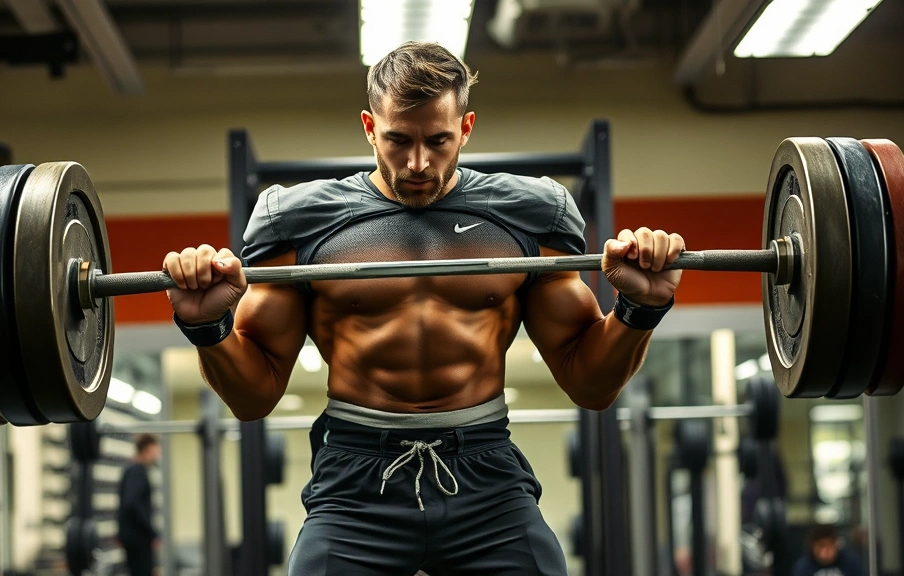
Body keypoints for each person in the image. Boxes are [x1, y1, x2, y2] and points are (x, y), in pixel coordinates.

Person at [163, 41, 685, 575]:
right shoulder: (300, 222)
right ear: (370, 127)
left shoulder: (530, 215)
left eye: (438, 140)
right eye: (398, 140)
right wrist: (206, 326)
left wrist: (639, 307)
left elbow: (591, 386)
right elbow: (253, 398)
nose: (418, 163)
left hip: (486, 477)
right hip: (355, 482)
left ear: (465, 128)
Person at [117, 433, 161, 576]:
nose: (158, 453)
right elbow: (131, 503)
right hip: (139, 539)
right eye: (156, 448)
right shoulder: (137, 472)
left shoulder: (132, 470)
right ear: (148, 448)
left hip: (134, 537)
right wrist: (151, 532)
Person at [793, 524, 867, 576]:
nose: (826, 550)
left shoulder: (851, 562)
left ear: (836, 545)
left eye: (830, 545)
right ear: (813, 547)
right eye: (821, 545)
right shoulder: (804, 566)